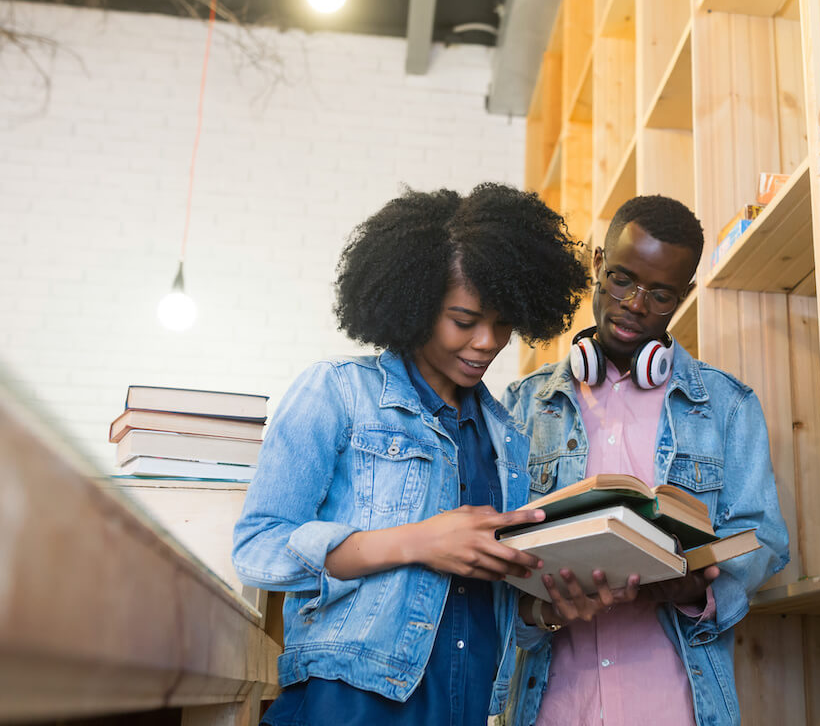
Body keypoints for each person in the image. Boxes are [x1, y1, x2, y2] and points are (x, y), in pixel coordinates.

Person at [232, 184, 591, 726]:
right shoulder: (336, 392)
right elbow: (259, 547)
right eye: (464, 320)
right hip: (347, 706)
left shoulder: (508, 438)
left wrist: (547, 612)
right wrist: (417, 542)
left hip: (465, 709)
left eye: (503, 322)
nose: (487, 342)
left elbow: (482, 605)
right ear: (416, 305)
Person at [502, 195, 790, 726]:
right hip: (555, 706)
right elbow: (496, 565)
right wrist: (534, 609)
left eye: (660, 295)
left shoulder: (727, 406)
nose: (635, 304)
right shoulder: (521, 405)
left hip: (676, 706)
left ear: (684, 297)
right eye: (621, 279)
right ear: (596, 265)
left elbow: (764, 539)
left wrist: (697, 591)